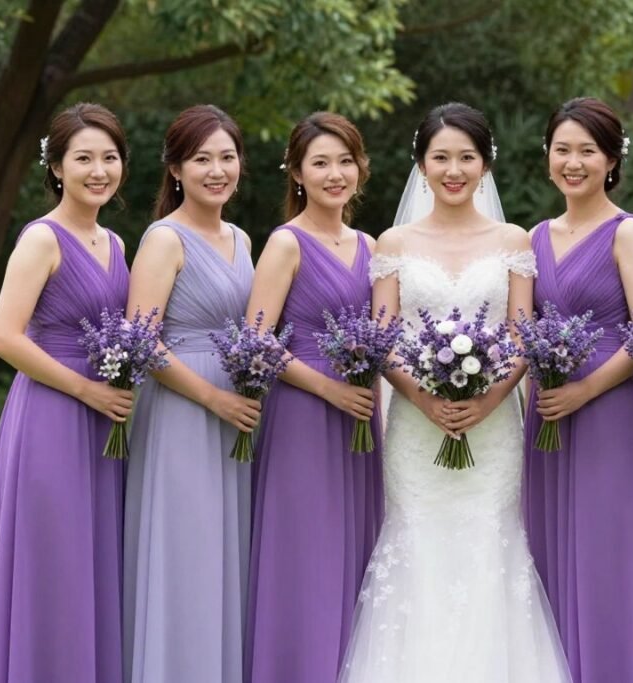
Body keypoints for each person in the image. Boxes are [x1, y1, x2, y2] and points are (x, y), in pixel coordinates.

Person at [339, 102, 571, 682]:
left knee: (492, 543)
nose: (454, 169)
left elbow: (522, 333)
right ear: (421, 165)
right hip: (416, 429)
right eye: (441, 157)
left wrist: (489, 399)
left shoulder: (514, 239)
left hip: (494, 429)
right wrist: (423, 397)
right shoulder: (391, 243)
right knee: (417, 544)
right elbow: (384, 338)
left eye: (466, 157)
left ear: (485, 164)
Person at [0, 103, 131, 683]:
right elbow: (4, 337)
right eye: (83, 158)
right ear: (57, 167)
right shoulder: (42, 238)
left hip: (103, 420)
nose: (98, 170)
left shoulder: (114, 243)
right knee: (53, 561)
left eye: (109, 158)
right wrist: (87, 390)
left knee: (91, 561)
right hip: (51, 416)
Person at [523, 96, 633, 682]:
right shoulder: (534, 237)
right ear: (548, 158)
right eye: (563, 150)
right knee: (550, 548)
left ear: (611, 160)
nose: (573, 162)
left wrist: (585, 392)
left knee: (608, 553)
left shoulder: (627, 232)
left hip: (608, 410)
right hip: (548, 413)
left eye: (587, 150)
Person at [243, 112, 384, 682]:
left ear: (361, 169)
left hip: (360, 419)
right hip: (303, 414)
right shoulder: (285, 243)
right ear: (297, 173)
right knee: (304, 550)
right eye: (320, 163)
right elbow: (256, 340)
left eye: (345, 162)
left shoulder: (371, 246)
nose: (335, 174)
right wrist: (327, 386)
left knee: (354, 545)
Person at [123, 104, 257, 683]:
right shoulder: (163, 239)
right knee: (186, 549)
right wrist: (212, 397)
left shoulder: (243, 237)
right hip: (182, 409)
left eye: (226, 157)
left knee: (225, 554)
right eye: (202, 159)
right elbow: (140, 341)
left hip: (240, 410)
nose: (216, 170)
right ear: (176, 169)